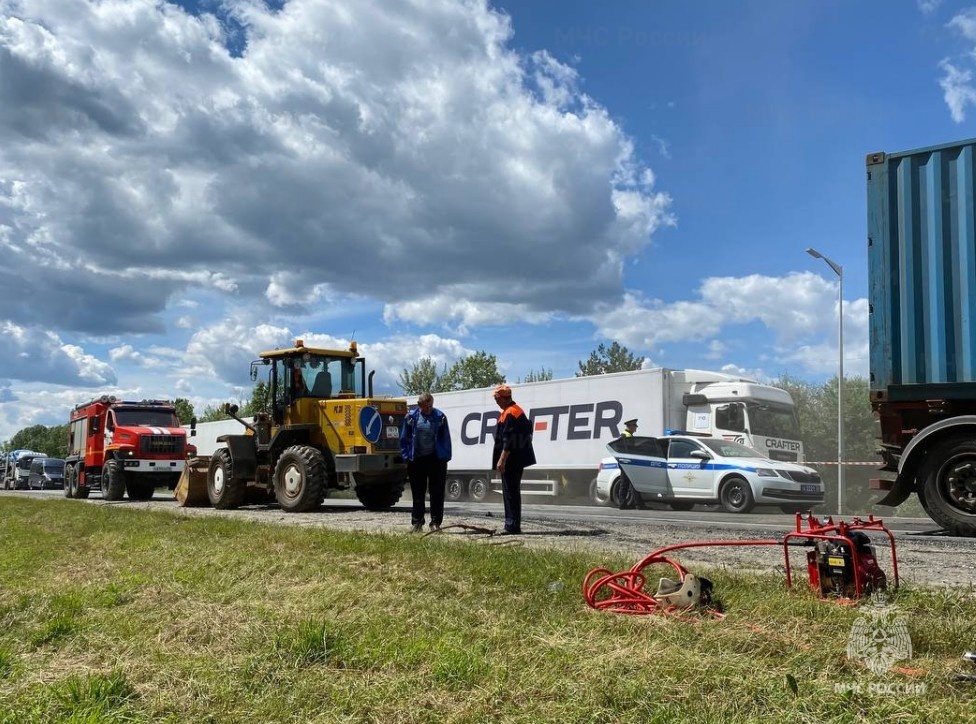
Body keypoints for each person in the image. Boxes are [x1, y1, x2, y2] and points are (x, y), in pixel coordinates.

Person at [400, 392, 452, 533]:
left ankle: (435, 523)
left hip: (436, 459)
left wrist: (445, 456)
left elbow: (446, 438)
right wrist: (406, 457)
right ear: (419, 405)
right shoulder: (410, 418)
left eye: (431, 406)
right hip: (417, 460)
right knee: (418, 494)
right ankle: (417, 523)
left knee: (437, 493)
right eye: (426, 407)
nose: (429, 409)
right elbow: (404, 438)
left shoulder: (440, 417)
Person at [491, 384, 536, 535]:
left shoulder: (511, 413)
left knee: (510, 493)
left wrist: (502, 459)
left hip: (512, 460)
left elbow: (509, 439)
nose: (496, 401)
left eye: (497, 398)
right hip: (516, 459)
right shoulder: (514, 411)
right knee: (511, 492)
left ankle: (511, 526)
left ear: (504, 398)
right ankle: (512, 524)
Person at [617, 418, 642, 510]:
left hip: (628, 463)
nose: (636, 428)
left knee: (630, 484)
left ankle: (635, 504)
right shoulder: (625, 436)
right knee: (625, 484)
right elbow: (627, 450)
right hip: (627, 464)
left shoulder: (628, 435)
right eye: (635, 426)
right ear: (630, 426)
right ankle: (625, 504)